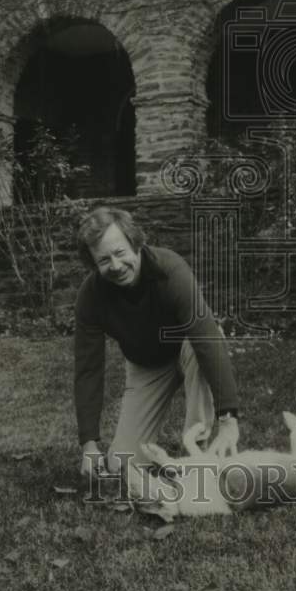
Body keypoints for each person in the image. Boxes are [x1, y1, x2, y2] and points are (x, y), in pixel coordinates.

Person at [73, 205, 239, 500]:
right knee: (122, 464)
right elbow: (88, 369)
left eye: (120, 252)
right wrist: (88, 444)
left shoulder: (170, 269)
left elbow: (206, 338)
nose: (115, 265)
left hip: (189, 348)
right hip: (146, 365)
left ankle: (197, 454)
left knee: (198, 348)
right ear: (93, 264)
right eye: (103, 260)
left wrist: (229, 419)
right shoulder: (90, 296)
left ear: (136, 243)